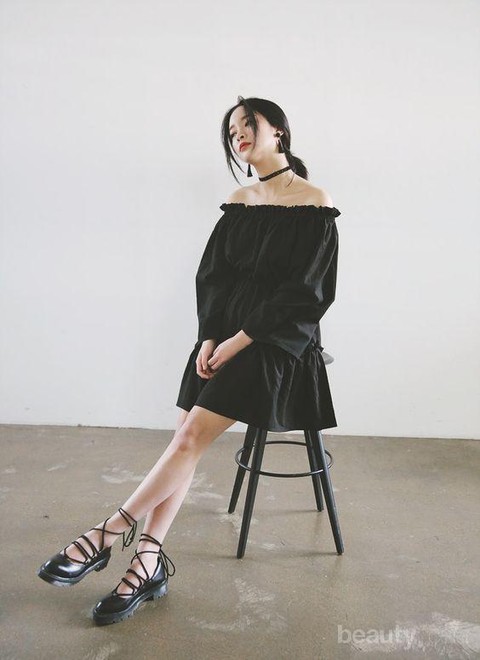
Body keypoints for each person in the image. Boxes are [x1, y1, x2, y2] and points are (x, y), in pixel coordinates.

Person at [37, 95, 341, 626]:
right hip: (222, 340)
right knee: (185, 441)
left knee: (187, 439)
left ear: (278, 130)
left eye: (247, 124)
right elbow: (214, 279)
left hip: (277, 345)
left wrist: (237, 341)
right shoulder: (240, 201)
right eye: (232, 130)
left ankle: (105, 534)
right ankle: (147, 563)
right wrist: (208, 338)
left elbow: (306, 294)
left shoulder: (314, 202)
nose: (238, 135)